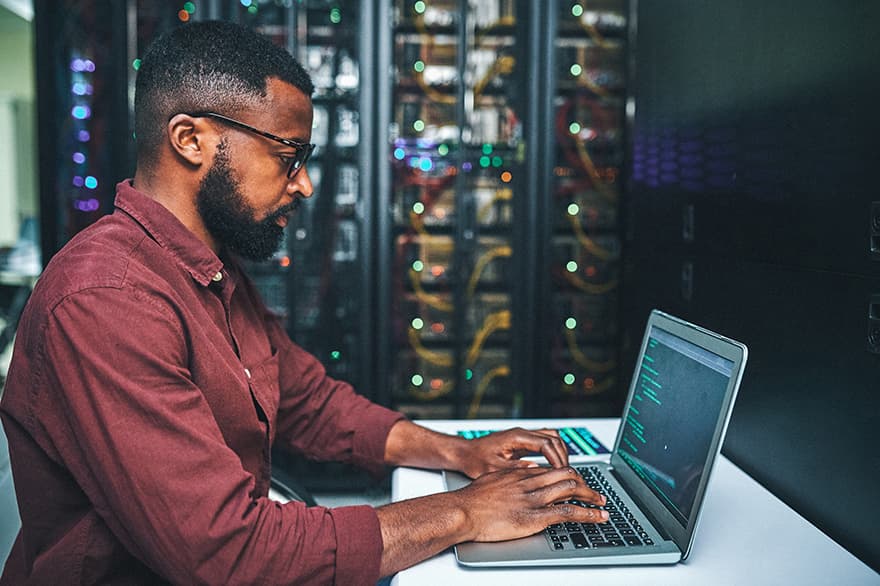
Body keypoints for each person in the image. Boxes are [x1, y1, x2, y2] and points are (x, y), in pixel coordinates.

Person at [0, 21, 607, 585]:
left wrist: (458, 453)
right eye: (288, 157)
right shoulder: (107, 301)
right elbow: (229, 552)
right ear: (190, 139)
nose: (306, 184)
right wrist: (464, 513)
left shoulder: (208, 269)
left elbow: (310, 404)